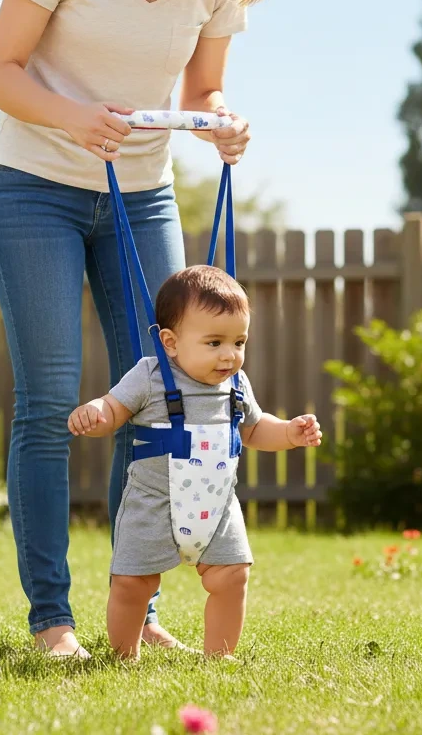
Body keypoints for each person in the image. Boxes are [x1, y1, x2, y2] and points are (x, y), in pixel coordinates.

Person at [0, 0, 272, 658]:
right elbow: (0, 73)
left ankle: (133, 611)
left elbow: (202, 89)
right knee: (49, 401)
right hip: (35, 186)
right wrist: (76, 120)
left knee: (156, 398)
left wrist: (221, 122)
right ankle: (51, 618)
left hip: (142, 196)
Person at [68, 265, 322, 658]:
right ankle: (123, 657)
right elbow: (113, 411)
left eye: (239, 342)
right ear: (170, 342)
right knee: (133, 584)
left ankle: (219, 656)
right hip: (152, 503)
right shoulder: (149, 375)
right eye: (215, 342)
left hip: (216, 505)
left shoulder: (236, 384)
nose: (229, 355)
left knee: (232, 576)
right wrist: (96, 413)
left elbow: (254, 429)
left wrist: (289, 432)